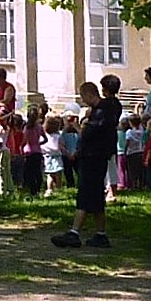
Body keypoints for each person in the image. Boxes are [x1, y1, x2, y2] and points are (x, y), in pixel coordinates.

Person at [53, 76, 121, 249]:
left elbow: (91, 133)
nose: (83, 102)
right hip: (98, 155)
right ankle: (100, 234)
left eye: (83, 98)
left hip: (93, 156)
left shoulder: (101, 111)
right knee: (97, 196)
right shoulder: (110, 107)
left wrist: (78, 127)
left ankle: (74, 233)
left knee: (85, 193)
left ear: (90, 95)